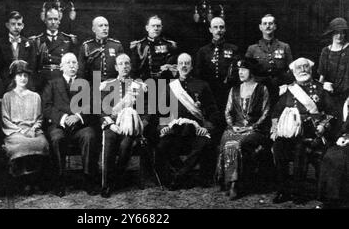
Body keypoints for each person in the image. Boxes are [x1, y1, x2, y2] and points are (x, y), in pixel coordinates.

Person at [271, 57, 335, 204]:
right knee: (278, 146)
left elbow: (333, 113)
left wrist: (323, 125)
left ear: (311, 69)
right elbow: (275, 113)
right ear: (293, 72)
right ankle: (283, 190)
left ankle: (298, 191)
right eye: (299, 68)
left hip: (312, 132)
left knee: (301, 148)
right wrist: (274, 130)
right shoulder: (288, 90)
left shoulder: (321, 89)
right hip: (290, 132)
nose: (303, 70)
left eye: (306, 67)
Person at [155, 53, 220, 190]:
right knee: (162, 146)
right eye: (181, 63)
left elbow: (213, 111)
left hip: (196, 130)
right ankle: (183, 175)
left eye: (187, 63)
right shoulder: (169, 87)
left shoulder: (202, 85)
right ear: (177, 66)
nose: (184, 66)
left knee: (205, 144)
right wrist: (163, 127)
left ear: (191, 66)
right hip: (176, 130)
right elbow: (162, 112)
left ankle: (180, 176)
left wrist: (207, 128)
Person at [42, 53, 101, 197]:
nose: (72, 65)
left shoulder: (85, 84)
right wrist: (63, 118)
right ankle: (59, 181)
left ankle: (89, 179)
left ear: (78, 65)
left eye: (74, 62)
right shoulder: (52, 83)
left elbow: (93, 106)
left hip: (79, 126)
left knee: (90, 135)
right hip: (59, 125)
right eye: (68, 63)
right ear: (61, 67)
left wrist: (78, 116)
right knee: (56, 138)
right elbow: (46, 107)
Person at [216, 57, 270, 200]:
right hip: (235, 127)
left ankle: (238, 184)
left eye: (244, 69)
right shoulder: (234, 90)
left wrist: (252, 127)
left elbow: (266, 112)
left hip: (255, 130)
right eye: (239, 70)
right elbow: (227, 111)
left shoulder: (262, 89)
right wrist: (232, 126)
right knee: (228, 142)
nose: (240, 72)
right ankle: (229, 182)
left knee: (240, 144)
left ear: (251, 71)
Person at [99, 53, 150, 198]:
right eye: (121, 64)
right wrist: (111, 124)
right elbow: (101, 110)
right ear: (116, 67)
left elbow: (147, 111)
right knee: (109, 139)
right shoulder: (106, 86)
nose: (124, 66)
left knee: (126, 144)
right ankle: (107, 184)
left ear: (131, 66)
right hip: (113, 125)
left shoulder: (139, 86)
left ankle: (116, 178)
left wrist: (139, 125)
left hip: (131, 127)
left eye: (127, 63)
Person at [1, 60, 50, 194]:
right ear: (14, 77)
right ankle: (24, 181)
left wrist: (33, 128)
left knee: (41, 143)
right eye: (19, 75)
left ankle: (34, 180)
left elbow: (40, 118)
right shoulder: (7, 97)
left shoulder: (35, 96)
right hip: (15, 131)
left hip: (33, 130)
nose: (23, 78)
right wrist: (20, 131)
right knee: (22, 144)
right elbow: (5, 119)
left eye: (25, 76)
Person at [246, 14, 293, 106]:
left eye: (270, 23)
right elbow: (246, 71)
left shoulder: (284, 47)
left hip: (280, 89)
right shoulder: (252, 49)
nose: (268, 26)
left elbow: (291, 69)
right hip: (259, 89)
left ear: (275, 26)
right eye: (265, 24)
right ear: (260, 27)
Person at [195, 17, 239, 111]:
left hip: (227, 91)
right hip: (208, 92)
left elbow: (237, 72)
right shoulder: (203, 51)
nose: (219, 30)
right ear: (210, 30)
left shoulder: (233, 49)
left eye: (221, 27)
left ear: (225, 29)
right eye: (215, 27)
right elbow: (198, 74)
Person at [31, 7, 77, 92]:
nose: (53, 22)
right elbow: (34, 66)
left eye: (55, 19)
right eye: (50, 19)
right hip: (43, 81)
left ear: (59, 21)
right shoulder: (37, 40)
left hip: (61, 79)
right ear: (45, 20)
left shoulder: (68, 40)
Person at [0, 11, 36, 95]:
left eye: (19, 24)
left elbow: (32, 66)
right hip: (6, 84)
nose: (16, 27)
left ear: (22, 26)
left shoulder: (29, 43)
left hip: (24, 84)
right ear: (7, 25)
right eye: (13, 24)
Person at [318, 95, 349, 209]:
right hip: (342, 140)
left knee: (339, 157)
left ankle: (338, 200)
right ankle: (329, 199)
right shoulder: (340, 102)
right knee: (330, 155)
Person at [317, 17, 349, 125]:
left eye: (342, 33)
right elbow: (322, 76)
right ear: (331, 34)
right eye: (336, 33)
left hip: (346, 94)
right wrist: (322, 87)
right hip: (329, 94)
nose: (339, 36)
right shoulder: (326, 51)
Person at [130, 15, 178, 80]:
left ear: (161, 28)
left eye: (158, 26)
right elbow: (134, 69)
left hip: (164, 82)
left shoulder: (169, 45)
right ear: (147, 28)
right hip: (146, 82)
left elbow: (175, 66)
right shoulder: (139, 45)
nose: (156, 28)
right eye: (153, 26)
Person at [78, 16, 124, 82]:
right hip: (93, 86)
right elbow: (81, 71)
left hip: (113, 85)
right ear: (94, 29)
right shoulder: (86, 46)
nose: (104, 28)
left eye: (106, 25)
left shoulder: (116, 45)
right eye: (101, 26)